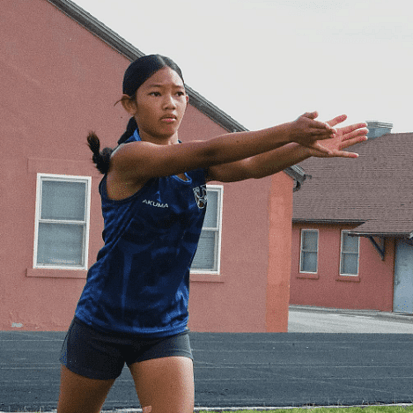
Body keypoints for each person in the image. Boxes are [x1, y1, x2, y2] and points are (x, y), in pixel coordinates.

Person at [57, 54, 368, 413]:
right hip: (102, 321)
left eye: (178, 94)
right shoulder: (129, 159)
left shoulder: (195, 168)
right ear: (130, 104)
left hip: (164, 327)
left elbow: (253, 165)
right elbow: (210, 150)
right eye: (156, 94)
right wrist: (289, 131)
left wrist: (304, 148)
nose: (170, 103)